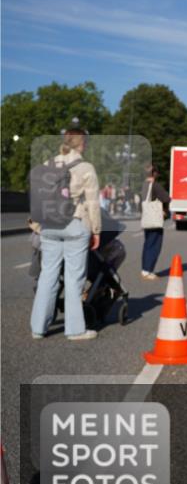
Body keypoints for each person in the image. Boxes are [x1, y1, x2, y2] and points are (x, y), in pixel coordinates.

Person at [30, 128, 102, 341]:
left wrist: (36, 224)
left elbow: (38, 196)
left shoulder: (47, 164)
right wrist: (96, 231)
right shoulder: (86, 167)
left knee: (47, 275)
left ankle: (38, 327)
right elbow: (92, 204)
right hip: (74, 224)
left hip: (49, 226)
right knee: (74, 278)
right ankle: (75, 330)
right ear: (83, 144)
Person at [139, 165, 171, 280]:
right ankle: (148, 270)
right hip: (155, 219)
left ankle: (144, 269)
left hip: (147, 218)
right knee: (154, 245)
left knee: (147, 244)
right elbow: (166, 198)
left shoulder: (143, 185)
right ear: (154, 173)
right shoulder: (155, 185)